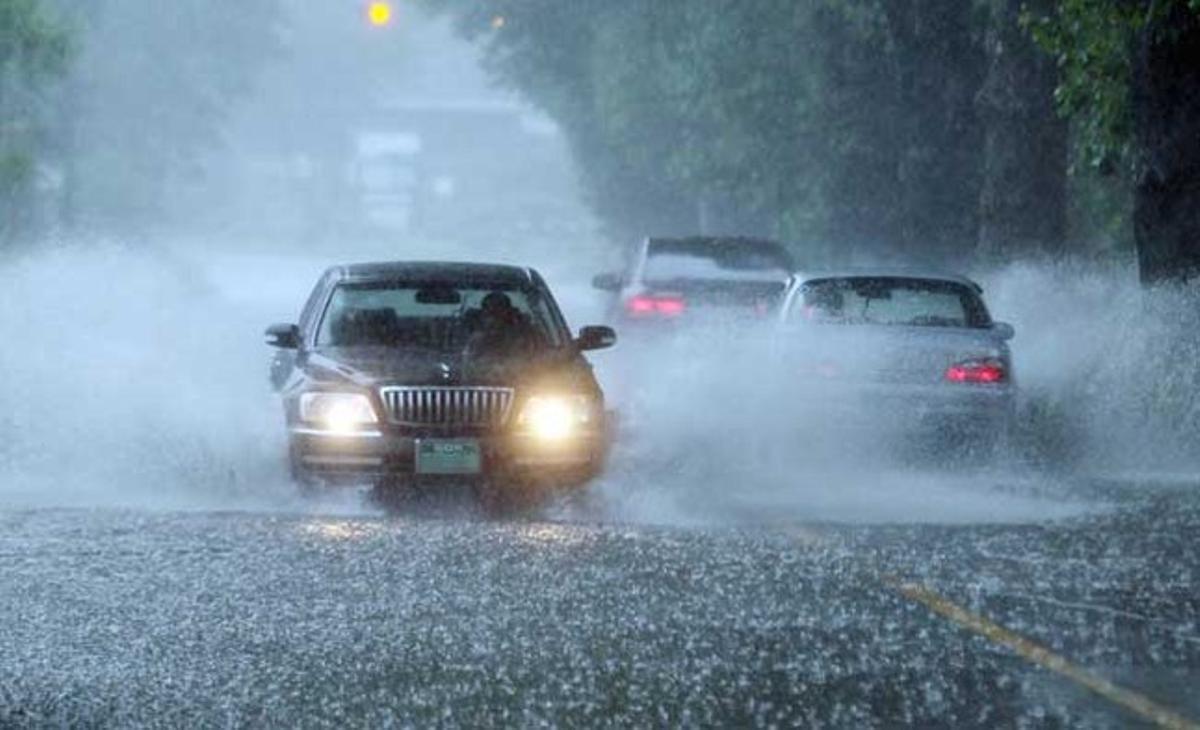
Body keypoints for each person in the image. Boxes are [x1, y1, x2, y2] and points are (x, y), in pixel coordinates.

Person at [463, 291, 539, 358]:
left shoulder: (524, 333)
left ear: (508, 312)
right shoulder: (468, 332)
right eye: (490, 313)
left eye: (499, 312)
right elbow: (463, 359)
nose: (494, 318)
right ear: (483, 313)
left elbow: (539, 357)